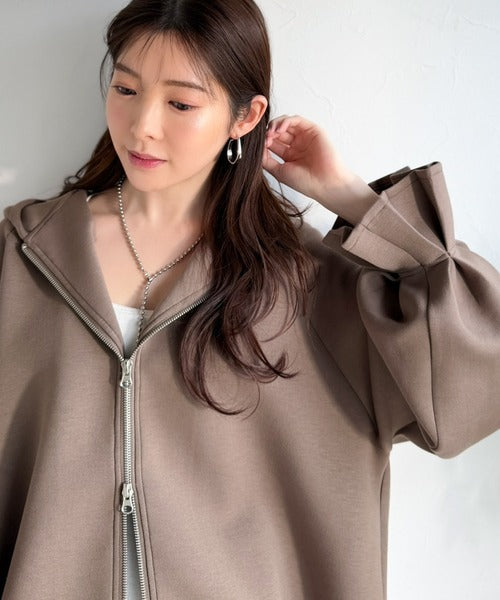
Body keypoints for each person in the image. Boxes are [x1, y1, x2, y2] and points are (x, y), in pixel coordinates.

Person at [1, 0, 499, 598]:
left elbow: (481, 373)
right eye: (126, 89)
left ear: (246, 115)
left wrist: (353, 200)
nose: (142, 126)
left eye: (181, 104)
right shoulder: (22, 255)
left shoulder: (307, 284)